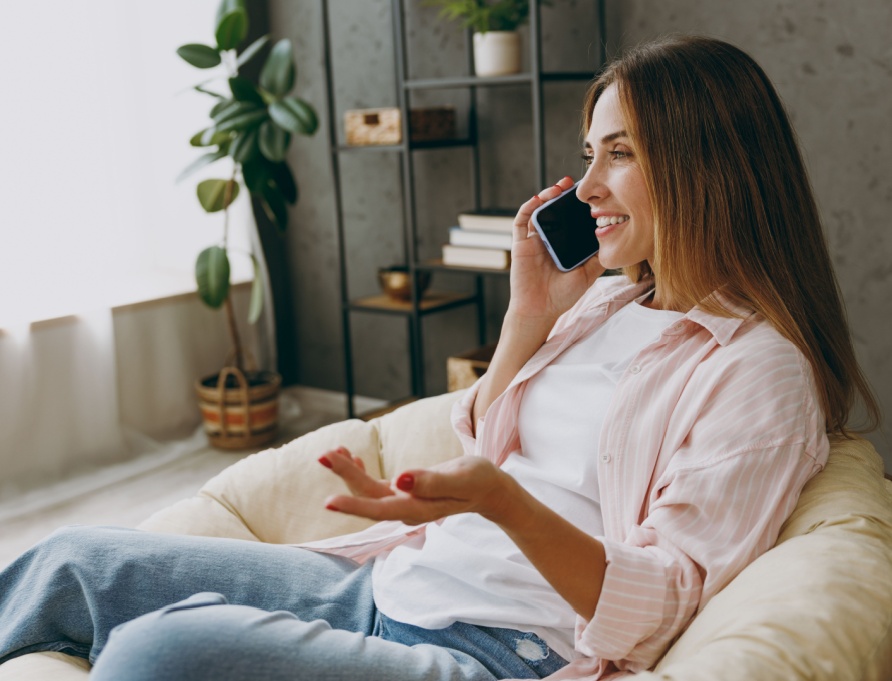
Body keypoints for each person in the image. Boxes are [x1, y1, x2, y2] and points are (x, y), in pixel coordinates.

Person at [0, 35, 880, 681]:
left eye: (621, 155)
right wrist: (526, 319)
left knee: (158, 651)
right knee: (72, 558)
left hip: (499, 647)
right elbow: (485, 440)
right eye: (587, 156)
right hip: (392, 580)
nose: (586, 189)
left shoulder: (759, 371)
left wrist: (500, 503)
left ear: (707, 169)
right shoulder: (609, 299)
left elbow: (661, 603)